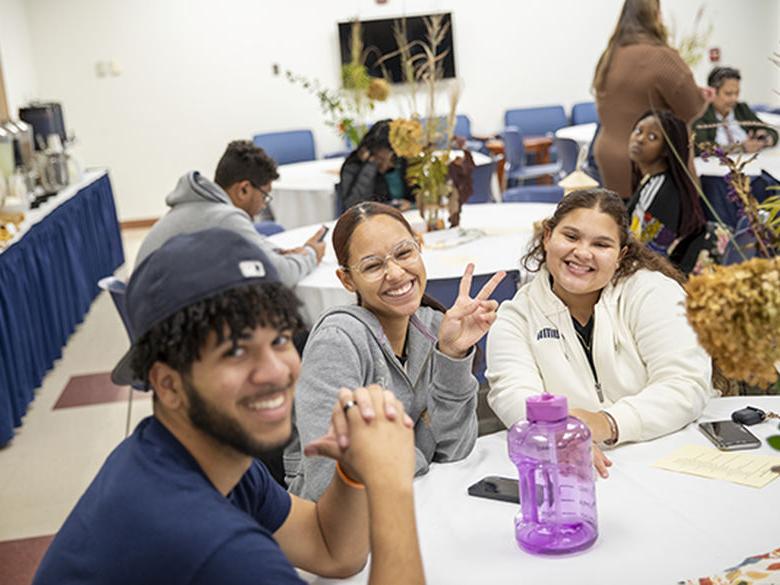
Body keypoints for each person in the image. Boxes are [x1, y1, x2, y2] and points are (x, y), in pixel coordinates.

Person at [33, 228, 425, 585]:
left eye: (280, 339)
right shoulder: (213, 548)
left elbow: (330, 550)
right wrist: (391, 485)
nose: (275, 371)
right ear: (168, 384)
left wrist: (353, 473)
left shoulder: (197, 457)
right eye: (235, 351)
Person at [486, 189, 715, 478]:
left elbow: (685, 383)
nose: (582, 252)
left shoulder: (653, 293)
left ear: (621, 255)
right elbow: (513, 393)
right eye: (571, 237)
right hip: (573, 472)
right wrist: (557, 435)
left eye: (601, 244)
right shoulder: (516, 317)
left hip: (670, 457)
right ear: (547, 237)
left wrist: (606, 422)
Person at [285, 202, 505, 501]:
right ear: (347, 279)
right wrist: (419, 451)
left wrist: (452, 355)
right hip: (341, 531)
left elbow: (455, 450)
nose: (396, 273)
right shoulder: (337, 343)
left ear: (419, 247)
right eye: (373, 266)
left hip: (419, 501)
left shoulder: (435, 327)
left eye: (404, 253)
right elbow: (328, 481)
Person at [135, 140, 325, 287]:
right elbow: (281, 275)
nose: (263, 205)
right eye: (265, 195)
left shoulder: (201, 206)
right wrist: (310, 254)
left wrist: (278, 252)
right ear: (243, 190)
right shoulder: (225, 217)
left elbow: (251, 241)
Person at [592, 0, 710, 199]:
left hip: (610, 157)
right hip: (649, 161)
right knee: (663, 226)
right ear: (655, 17)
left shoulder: (610, 55)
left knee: (624, 223)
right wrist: (701, 96)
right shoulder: (661, 57)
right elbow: (692, 108)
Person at [627, 109, 708, 272]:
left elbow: (646, 252)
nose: (640, 139)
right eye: (638, 131)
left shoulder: (662, 191)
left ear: (666, 150)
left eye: (652, 137)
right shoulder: (655, 180)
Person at [693, 66, 778, 154]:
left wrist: (764, 140)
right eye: (728, 94)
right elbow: (702, 147)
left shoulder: (741, 109)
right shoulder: (701, 113)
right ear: (713, 92)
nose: (734, 98)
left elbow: (772, 132)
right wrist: (740, 148)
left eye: (737, 93)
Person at [337, 120, 413, 211]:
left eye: (392, 159)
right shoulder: (353, 166)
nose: (386, 166)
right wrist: (369, 166)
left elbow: (424, 198)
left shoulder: (404, 162)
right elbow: (353, 206)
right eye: (380, 160)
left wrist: (411, 205)